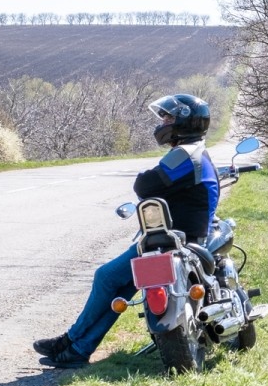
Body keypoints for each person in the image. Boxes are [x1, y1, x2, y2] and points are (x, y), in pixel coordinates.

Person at [34, 93, 220, 368]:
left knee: (107, 277)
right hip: (187, 237)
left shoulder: (185, 153)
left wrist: (145, 178)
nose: (163, 122)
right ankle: (76, 348)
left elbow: (145, 185)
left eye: (169, 117)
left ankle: (72, 342)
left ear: (184, 121)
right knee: (118, 283)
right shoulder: (196, 151)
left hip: (170, 241)